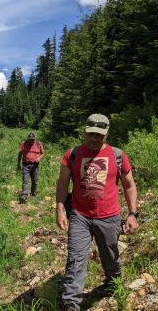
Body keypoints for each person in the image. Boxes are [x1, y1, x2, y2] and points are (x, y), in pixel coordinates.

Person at [56, 114, 138, 311]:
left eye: (99, 135)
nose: (94, 139)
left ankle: (112, 284)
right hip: (79, 216)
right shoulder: (72, 154)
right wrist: (60, 209)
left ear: (107, 133)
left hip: (109, 216)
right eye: (91, 134)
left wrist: (133, 213)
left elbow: (129, 186)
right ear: (85, 131)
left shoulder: (118, 155)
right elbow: (62, 184)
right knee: (76, 259)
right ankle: (71, 302)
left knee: (110, 257)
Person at [17, 132, 45, 203]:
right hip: (25, 165)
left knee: (35, 180)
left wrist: (39, 158)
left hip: (35, 165)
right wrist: (18, 164)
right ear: (28, 139)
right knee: (25, 180)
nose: (31, 141)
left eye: (32, 139)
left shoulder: (38, 144)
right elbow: (20, 154)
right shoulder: (24, 144)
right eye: (30, 140)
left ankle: (33, 194)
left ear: (34, 139)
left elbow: (43, 153)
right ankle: (24, 195)